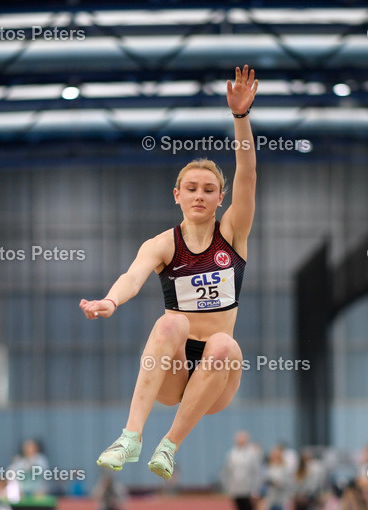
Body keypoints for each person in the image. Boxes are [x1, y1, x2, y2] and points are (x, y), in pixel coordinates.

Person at [82, 64, 259, 480]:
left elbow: (248, 175)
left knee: (224, 345)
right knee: (170, 321)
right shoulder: (163, 244)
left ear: (221, 197)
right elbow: (132, 276)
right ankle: (131, 436)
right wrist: (110, 301)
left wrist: (241, 117)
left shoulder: (232, 232)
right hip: (174, 370)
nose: (200, 195)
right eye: (192, 188)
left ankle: (169, 446)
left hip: (216, 376)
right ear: (177, 195)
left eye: (209, 189)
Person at [221, 431, 263, 510]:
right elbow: (227, 472)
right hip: (235, 490)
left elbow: (256, 473)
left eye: (243, 439)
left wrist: (255, 490)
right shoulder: (231, 454)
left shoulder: (251, 454)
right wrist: (228, 488)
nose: (240, 441)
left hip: (248, 491)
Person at [263, 444, 293, 510]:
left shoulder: (285, 468)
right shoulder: (270, 467)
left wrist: (279, 483)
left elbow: (288, 482)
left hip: (281, 496)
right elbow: (265, 479)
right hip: (271, 496)